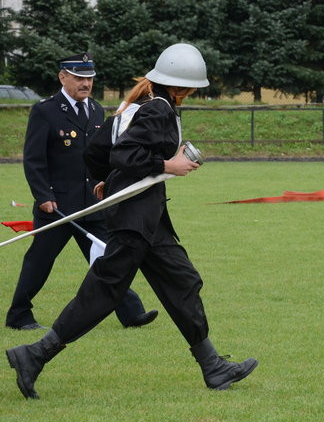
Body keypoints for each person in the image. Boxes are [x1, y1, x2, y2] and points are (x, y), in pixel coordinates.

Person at [5, 43, 258, 399]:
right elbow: (125, 153)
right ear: (182, 86)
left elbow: (97, 149)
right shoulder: (158, 111)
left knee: (182, 281)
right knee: (104, 290)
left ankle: (212, 365)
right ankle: (34, 354)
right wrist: (167, 166)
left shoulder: (137, 107)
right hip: (135, 218)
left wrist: (105, 179)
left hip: (148, 217)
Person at [5, 52, 157, 331]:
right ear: (63, 77)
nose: (85, 84)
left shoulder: (96, 110)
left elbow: (100, 156)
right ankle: (18, 316)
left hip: (92, 204)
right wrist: (43, 197)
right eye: (79, 78)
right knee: (39, 262)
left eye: (89, 79)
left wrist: (106, 185)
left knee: (108, 258)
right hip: (57, 206)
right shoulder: (45, 111)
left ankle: (131, 313)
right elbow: (34, 159)